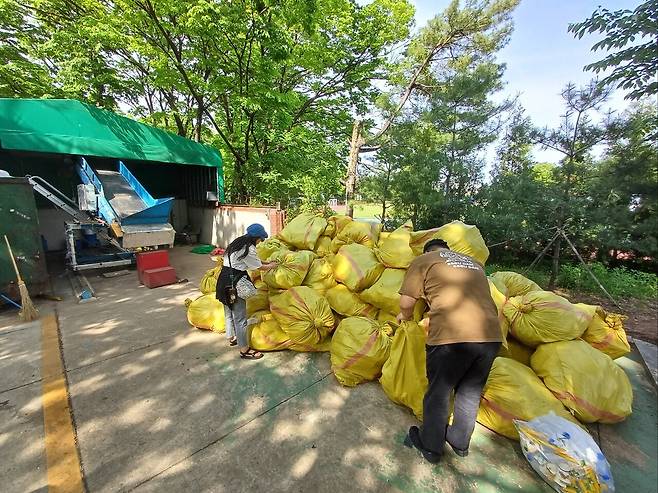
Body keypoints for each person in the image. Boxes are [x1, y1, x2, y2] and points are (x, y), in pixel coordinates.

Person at [397, 238, 502, 463]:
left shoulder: (424, 260)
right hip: (491, 336)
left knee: (439, 392)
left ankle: (431, 447)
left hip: (452, 335)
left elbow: (406, 303)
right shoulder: (474, 263)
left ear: (428, 250)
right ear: (448, 250)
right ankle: (460, 441)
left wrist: (403, 317)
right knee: (470, 391)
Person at [216, 224, 277, 360]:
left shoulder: (237, 243)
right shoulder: (249, 248)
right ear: (256, 238)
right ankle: (244, 350)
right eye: (260, 239)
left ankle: (232, 337)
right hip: (235, 283)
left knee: (228, 311)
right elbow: (259, 267)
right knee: (240, 318)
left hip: (224, 280)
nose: (260, 242)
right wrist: (271, 266)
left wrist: (267, 262)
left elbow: (253, 261)